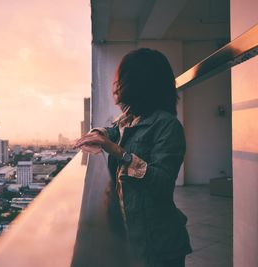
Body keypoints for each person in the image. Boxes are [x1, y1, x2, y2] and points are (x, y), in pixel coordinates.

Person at [74, 48, 192, 267]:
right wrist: (98, 134)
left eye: (119, 79)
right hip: (134, 238)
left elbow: (162, 181)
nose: (114, 86)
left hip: (160, 245)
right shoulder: (129, 118)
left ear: (138, 83)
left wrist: (118, 152)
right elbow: (112, 130)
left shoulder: (167, 125)